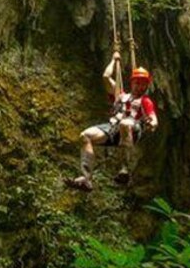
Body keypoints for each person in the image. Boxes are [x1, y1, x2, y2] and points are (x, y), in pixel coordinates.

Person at [65, 50, 158, 191]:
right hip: (114, 129)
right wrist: (114, 60)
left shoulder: (145, 101)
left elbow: (153, 117)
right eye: (137, 83)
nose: (140, 86)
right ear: (132, 83)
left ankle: (125, 169)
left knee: (125, 123)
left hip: (132, 129)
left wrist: (152, 124)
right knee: (85, 135)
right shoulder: (120, 95)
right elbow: (106, 76)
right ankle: (86, 178)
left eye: (143, 84)